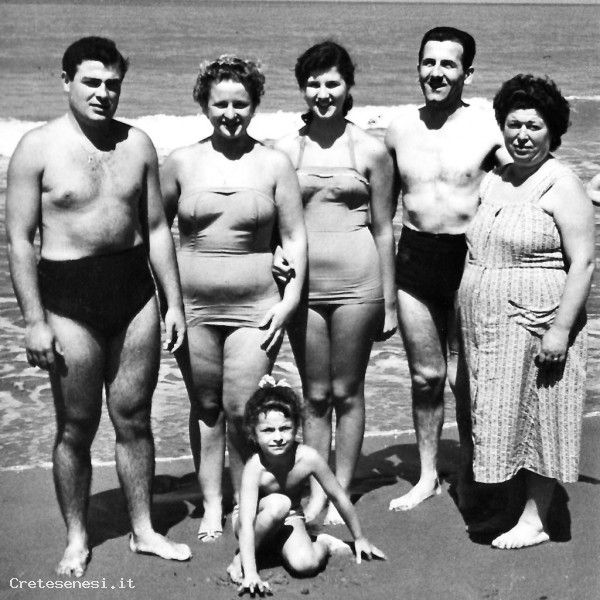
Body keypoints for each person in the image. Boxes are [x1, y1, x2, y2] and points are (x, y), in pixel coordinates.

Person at [5, 36, 191, 577]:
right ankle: (77, 537)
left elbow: (157, 228)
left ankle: (143, 530)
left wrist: (173, 303)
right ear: (66, 81)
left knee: (134, 418)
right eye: (91, 82)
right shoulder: (36, 148)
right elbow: (19, 241)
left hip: (134, 293)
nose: (102, 93)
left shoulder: (138, 144)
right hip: (68, 298)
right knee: (76, 426)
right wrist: (34, 321)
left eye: (113, 84)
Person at [160, 56, 307, 542]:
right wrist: (170, 304)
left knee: (243, 408)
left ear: (255, 105)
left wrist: (289, 302)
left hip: (257, 307)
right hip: (194, 308)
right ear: (204, 105)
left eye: (240, 104)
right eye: (220, 103)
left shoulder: (274, 163)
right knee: (205, 406)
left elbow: (295, 236)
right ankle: (212, 504)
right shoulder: (180, 162)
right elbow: (155, 233)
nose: (230, 113)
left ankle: (246, 501)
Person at [457, 74, 595, 549]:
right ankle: (509, 507)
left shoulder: (562, 184)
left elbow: (584, 262)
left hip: (539, 319)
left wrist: (559, 330)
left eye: (534, 126)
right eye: (513, 125)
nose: (522, 135)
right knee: (501, 414)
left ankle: (536, 520)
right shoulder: (497, 178)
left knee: (542, 414)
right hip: (489, 323)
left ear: (552, 131)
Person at [385, 27, 509, 511]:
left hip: (470, 258)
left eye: (448, 64)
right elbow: (378, 211)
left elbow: (528, 178)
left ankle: (473, 470)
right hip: (415, 257)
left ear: (467, 73)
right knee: (425, 376)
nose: (436, 73)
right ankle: (428, 476)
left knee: (467, 377)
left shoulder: (487, 127)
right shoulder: (399, 128)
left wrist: (580, 195)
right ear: (418, 66)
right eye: (429, 62)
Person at [274, 41, 397, 526]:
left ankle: (340, 489)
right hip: (303, 288)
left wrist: (389, 302)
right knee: (315, 395)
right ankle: (316, 487)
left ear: (348, 87)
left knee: (347, 391)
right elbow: (273, 224)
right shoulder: (285, 150)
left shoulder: (370, 150)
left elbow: (384, 228)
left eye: (332, 83)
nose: (322, 93)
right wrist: (274, 257)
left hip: (358, 286)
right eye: (313, 84)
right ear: (302, 89)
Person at [227, 376, 386, 592]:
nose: (278, 437)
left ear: (296, 427)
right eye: (268, 430)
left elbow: (338, 496)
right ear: (253, 432)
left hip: (290, 517)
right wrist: (251, 573)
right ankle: (243, 559)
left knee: (306, 565)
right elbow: (246, 522)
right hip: (254, 521)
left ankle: (324, 544)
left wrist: (359, 537)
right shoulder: (254, 467)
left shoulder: (308, 458)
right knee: (278, 504)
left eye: (285, 428)